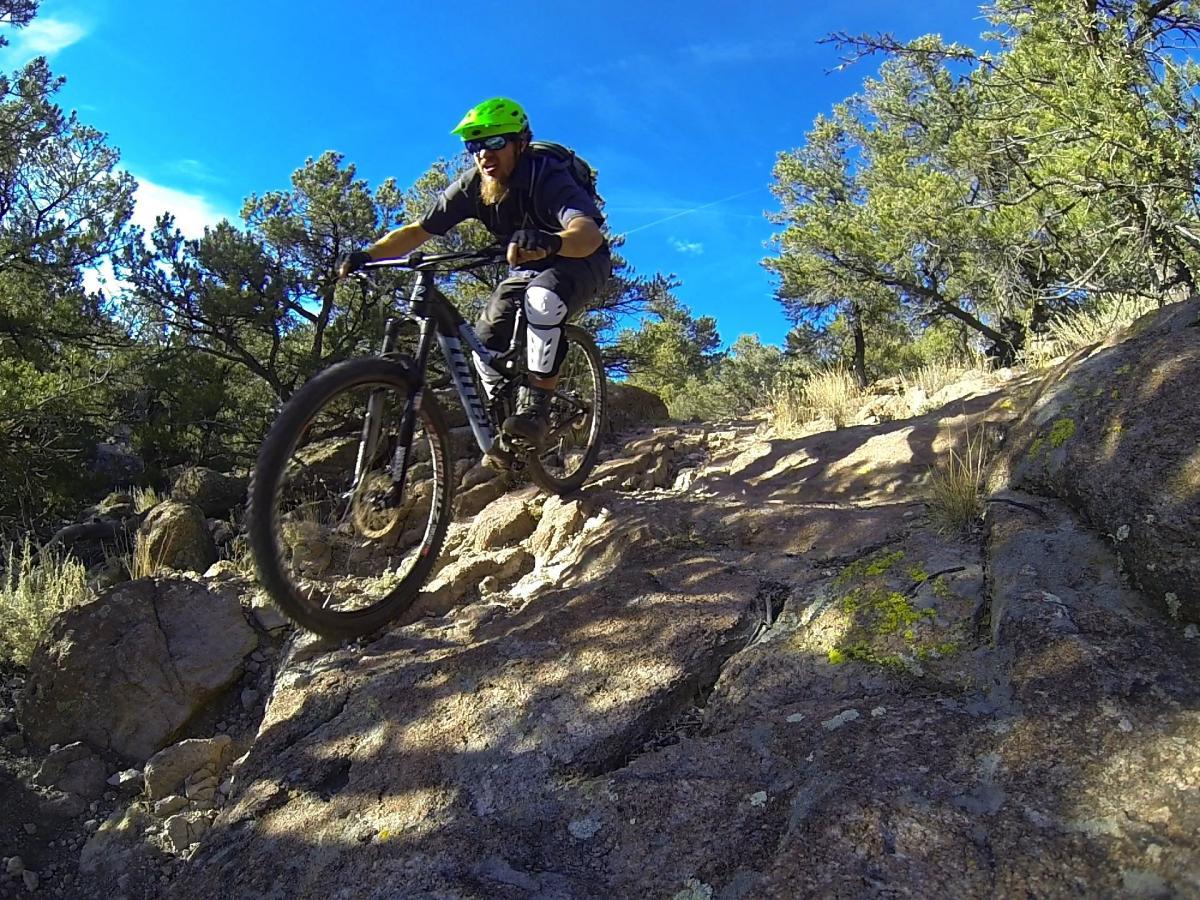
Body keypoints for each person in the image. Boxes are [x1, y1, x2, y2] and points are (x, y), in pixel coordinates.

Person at [339, 97, 611, 445]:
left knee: (542, 299)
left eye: (495, 142)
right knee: (484, 345)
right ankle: (504, 431)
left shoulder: (547, 175)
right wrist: (368, 254)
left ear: (521, 143)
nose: (484, 154)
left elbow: (587, 234)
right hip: (527, 268)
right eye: (475, 145)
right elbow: (417, 231)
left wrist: (550, 241)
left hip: (579, 258)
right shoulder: (473, 186)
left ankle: (537, 409)